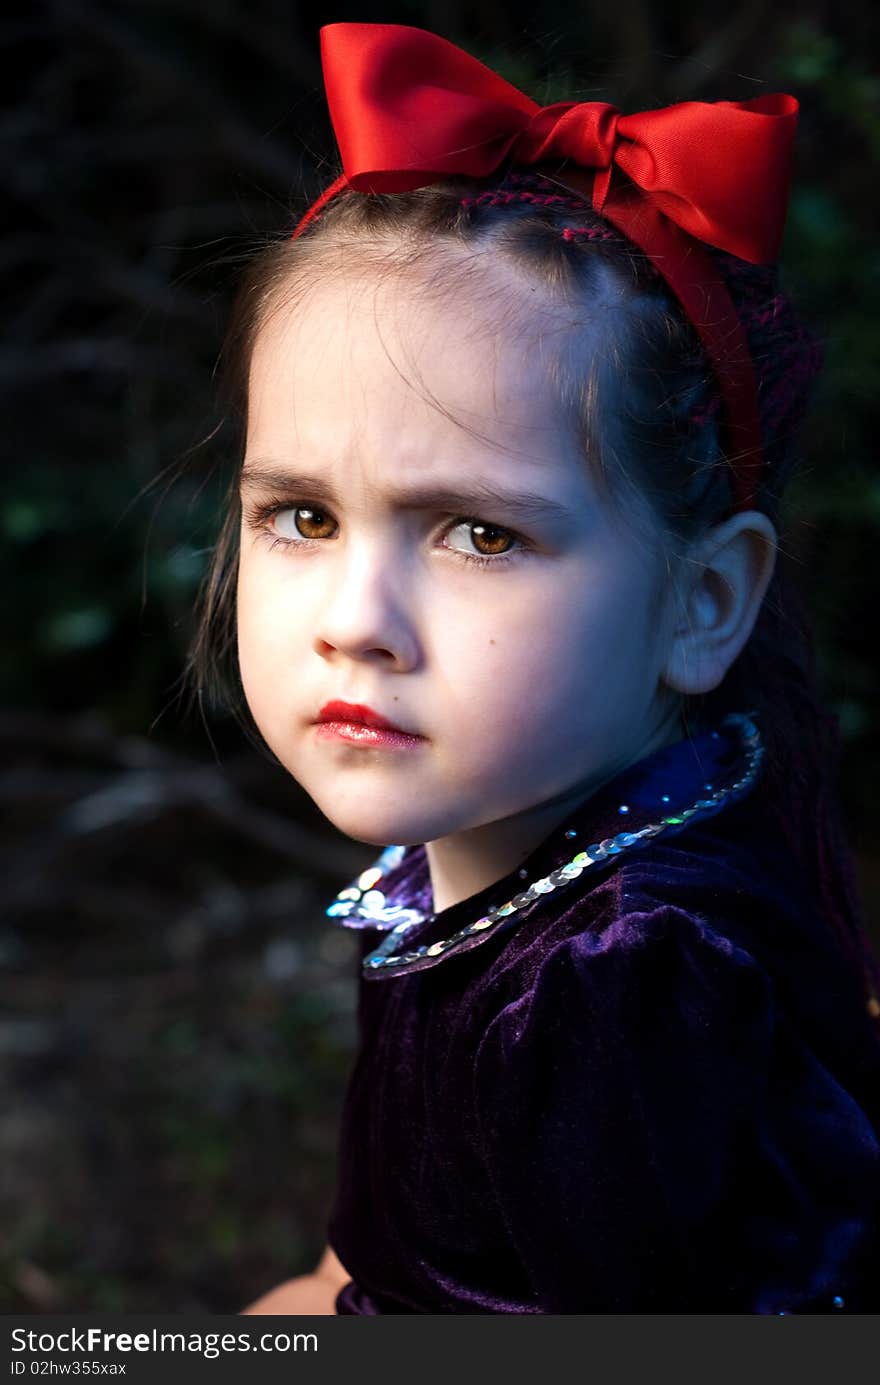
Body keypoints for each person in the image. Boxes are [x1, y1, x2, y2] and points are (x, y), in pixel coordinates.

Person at [188, 23, 880, 1313]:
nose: (357, 620)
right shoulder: (510, 844)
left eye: (479, 534)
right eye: (302, 515)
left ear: (705, 600)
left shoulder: (622, 983)